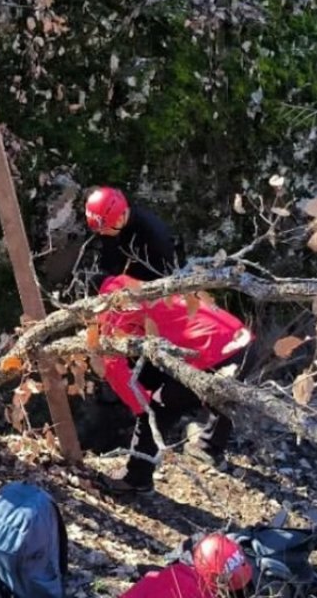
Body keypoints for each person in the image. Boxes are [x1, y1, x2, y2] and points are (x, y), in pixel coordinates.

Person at [93, 275, 255, 495]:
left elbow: (113, 366)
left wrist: (142, 405)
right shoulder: (147, 287)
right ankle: (209, 448)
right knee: (224, 395)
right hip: (242, 341)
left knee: (160, 407)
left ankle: (136, 478)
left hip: (216, 353)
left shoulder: (116, 307)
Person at [84, 186, 185, 287]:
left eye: (103, 229)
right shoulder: (115, 223)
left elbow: (164, 277)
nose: (100, 233)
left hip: (153, 276)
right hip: (128, 263)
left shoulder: (152, 236)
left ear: (118, 220)